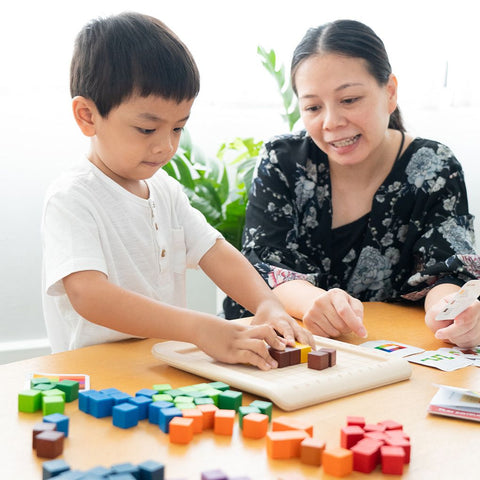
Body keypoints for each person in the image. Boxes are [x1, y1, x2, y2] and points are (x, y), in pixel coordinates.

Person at [41, 12, 314, 370]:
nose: (166, 147)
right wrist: (198, 328)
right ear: (87, 116)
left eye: (178, 128)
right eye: (146, 129)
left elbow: (215, 251)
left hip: (162, 366)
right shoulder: (73, 198)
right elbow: (89, 295)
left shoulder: (165, 190)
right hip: (97, 373)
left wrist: (267, 303)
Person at [224, 19, 480, 348]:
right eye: (313, 107)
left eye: (349, 100)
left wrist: (451, 312)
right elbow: (266, 267)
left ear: (389, 92)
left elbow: (445, 271)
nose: (331, 122)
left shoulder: (433, 166)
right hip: (274, 347)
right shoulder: (282, 161)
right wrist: (312, 302)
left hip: (382, 357)